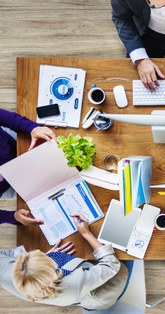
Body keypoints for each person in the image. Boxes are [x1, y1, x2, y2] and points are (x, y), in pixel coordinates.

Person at [0, 214, 129, 310]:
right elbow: (111, 264)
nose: (48, 254)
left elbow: (5, 254)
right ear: (54, 269)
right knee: (124, 261)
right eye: (47, 258)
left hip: (73, 281)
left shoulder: (4, 273)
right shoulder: (73, 284)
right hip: (101, 291)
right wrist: (85, 233)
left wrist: (45, 258)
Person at [0, 108, 55, 226]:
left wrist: (32, 127)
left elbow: (6, 117)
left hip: (17, 148)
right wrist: (13, 216)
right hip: (12, 182)